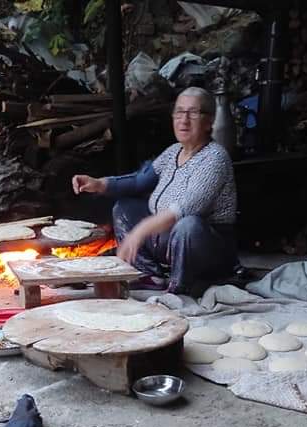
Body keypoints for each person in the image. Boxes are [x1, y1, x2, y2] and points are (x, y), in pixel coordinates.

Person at [71, 87, 238, 294]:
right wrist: (98, 183)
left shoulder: (215, 158)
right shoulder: (173, 152)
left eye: (193, 113)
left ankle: (181, 287)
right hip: (168, 237)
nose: (184, 120)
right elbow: (139, 181)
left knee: (189, 224)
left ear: (209, 121)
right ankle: (148, 274)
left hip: (207, 249)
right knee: (125, 208)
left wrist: (140, 231)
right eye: (179, 112)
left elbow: (185, 209)